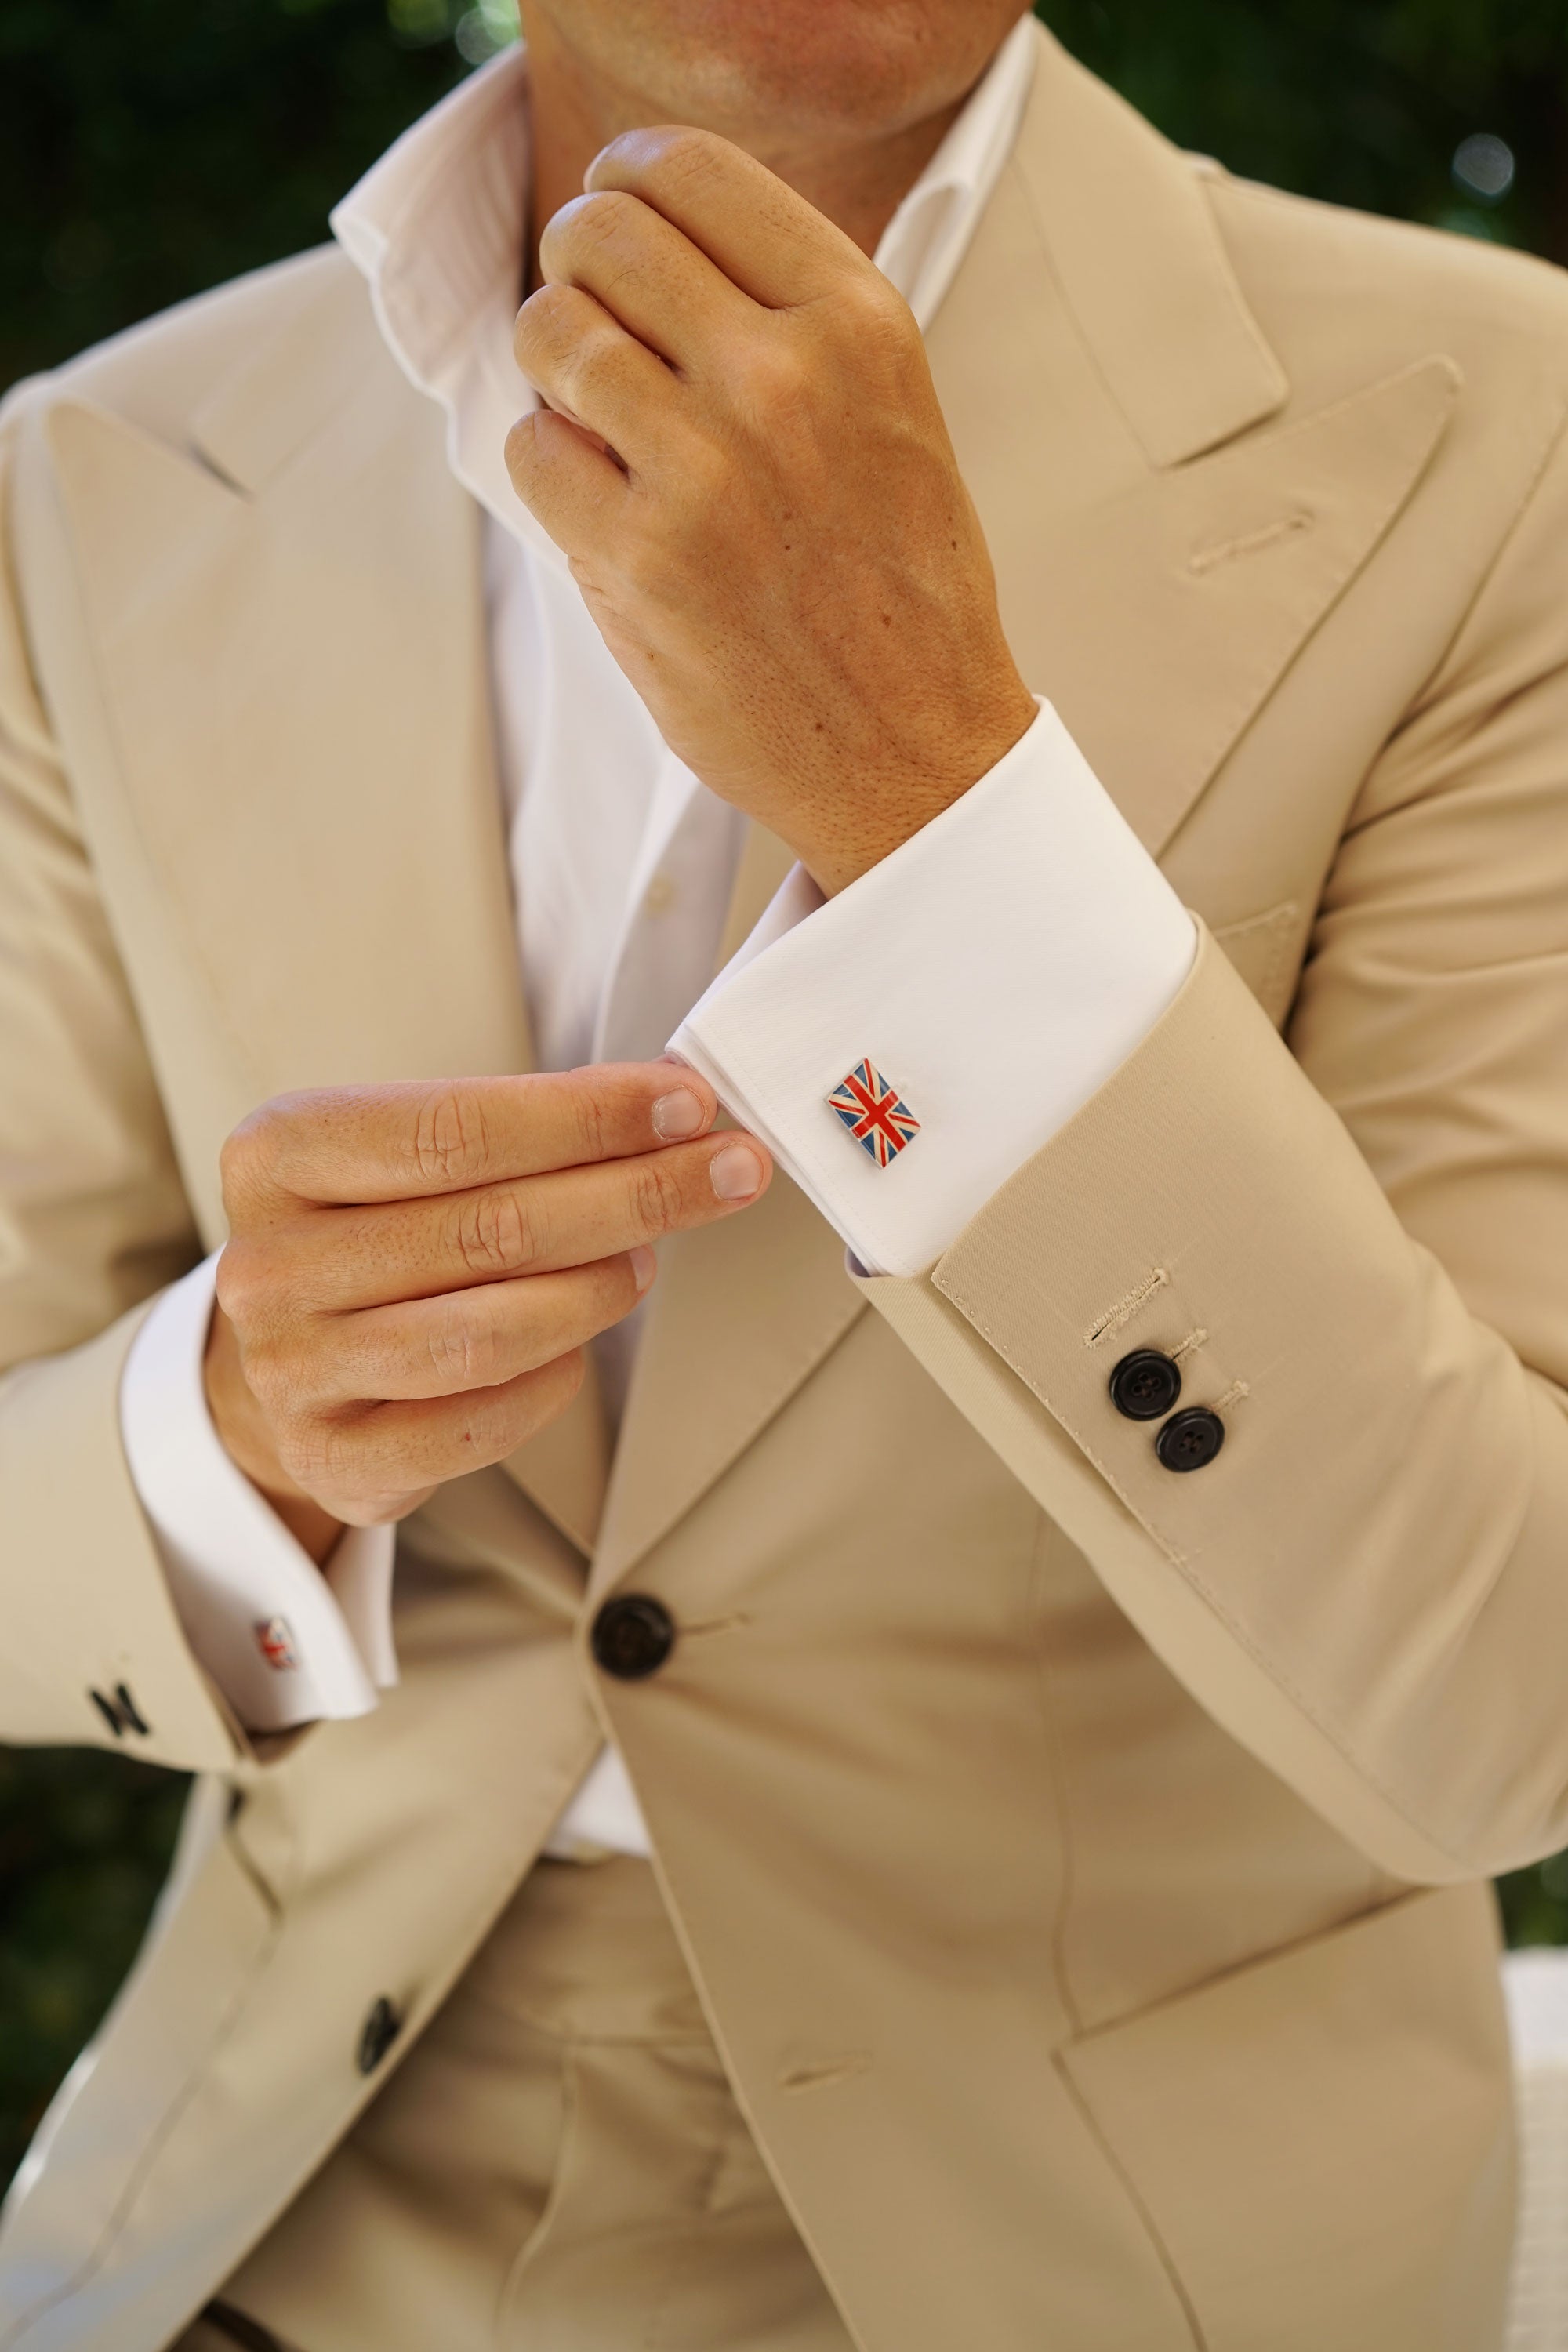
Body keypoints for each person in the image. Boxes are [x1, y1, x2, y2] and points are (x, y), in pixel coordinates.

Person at [1, 0, 1566, 2342]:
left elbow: (1514, 1705)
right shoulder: (89, 474)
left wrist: (946, 812)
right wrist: (218, 1435)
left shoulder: (1511, 428)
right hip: (266, 2198)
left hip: (1139, 2250)